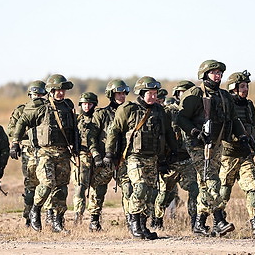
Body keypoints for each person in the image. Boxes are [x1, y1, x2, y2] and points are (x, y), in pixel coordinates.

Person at [178, 60, 247, 237]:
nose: (218, 76)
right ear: (204, 74)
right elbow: (181, 118)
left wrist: (243, 136)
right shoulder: (194, 93)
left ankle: (199, 224)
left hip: (216, 144)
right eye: (214, 73)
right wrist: (195, 132)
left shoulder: (224, 96)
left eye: (219, 73)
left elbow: (233, 120)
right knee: (212, 181)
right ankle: (219, 220)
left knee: (205, 186)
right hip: (197, 145)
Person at [105, 76, 177, 240]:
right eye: (149, 93)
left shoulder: (160, 111)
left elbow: (168, 134)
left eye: (155, 93)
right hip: (134, 157)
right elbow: (114, 131)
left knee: (151, 194)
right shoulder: (129, 109)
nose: (153, 96)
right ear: (141, 93)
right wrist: (110, 153)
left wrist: (171, 152)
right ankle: (134, 223)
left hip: (153, 158)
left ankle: (143, 226)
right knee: (140, 187)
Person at [10, 74, 77, 233]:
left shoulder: (68, 107)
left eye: (63, 90)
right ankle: (35, 209)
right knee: (46, 184)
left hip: (63, 153)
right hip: (44, 153)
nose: (61, 93)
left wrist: (76, 147)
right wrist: (15, 143)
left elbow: (74, 129)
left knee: (62, 189)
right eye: (57, 90)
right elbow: (22, 122)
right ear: (51, 91)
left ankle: (58, 222)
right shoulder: (41, 108)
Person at [219, 70, 255, 237]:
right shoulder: (226, 105)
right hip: (228, 154)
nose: (245, 89)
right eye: (242, 86)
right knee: (223, 190)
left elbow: (253, 130)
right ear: (233, 88)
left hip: (245, 154)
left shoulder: (249, 105)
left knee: (252, 188)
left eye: (246, 86)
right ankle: (219, 221)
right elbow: (222, 129)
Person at [154, 80, 198, 230]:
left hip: (187, 159)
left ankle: (195, 222)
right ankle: (157, 220)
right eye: (182, 93)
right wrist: (162, 159)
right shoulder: (167, 112)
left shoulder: (197, 113)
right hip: (170, 159)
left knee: (194, 190)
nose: (185, 96)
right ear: (176, 94)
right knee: (165, 193)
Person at [87, 79, 130, 232]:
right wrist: (96, 155)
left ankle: (132, 221)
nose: (122, 96)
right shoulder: (101, 114)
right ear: (111, 94)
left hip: (124, 159)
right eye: (118, 93)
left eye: (124, 93)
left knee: (128, 189)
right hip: (104, 159)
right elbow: (91, 136)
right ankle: (94, 220)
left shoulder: (130, 112)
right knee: (98, 190)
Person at [7, 80, 47, 226]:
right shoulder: (21, 110)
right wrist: (30, 133)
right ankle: (28, 217)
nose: (37, 97)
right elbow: (11, 130)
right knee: (31, 184)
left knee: (48, 182)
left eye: (40, 94)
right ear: (30, 95)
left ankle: (49, 216)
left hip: (45, 149)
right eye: (34, 94)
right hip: (28, 150)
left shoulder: (49, 109)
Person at [72, 92, 98, 224]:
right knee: (80, 186)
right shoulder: (76, 119)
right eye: (84, 104)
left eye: (89, 104)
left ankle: (94, 217)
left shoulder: (98, 118)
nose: (87, 106)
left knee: (96, 187)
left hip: (97, 156)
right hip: (81, 156)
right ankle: (78, 216)